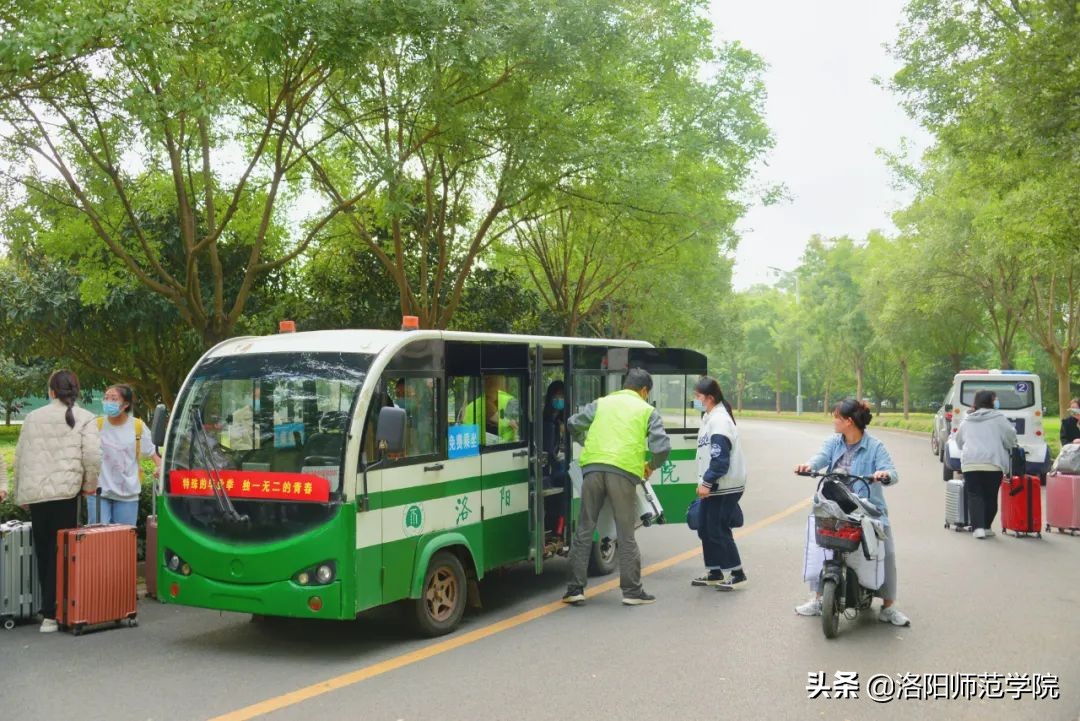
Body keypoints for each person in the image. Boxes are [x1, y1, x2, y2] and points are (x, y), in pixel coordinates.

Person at [793, 399, 910, 627]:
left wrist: (883, 474)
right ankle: (818, 599)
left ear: (848, 421)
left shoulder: (875, 447)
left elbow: (892, 473)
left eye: (836, 417)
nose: (833, 421)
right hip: (834, 506)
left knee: (885, 551)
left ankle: (888, 607)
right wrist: (809, 467)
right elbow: (819, 459)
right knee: (820, 547)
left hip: (866, 509)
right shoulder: (833, 443)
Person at [561, 368, 670, 606]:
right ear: (644, 390)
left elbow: (572, 424)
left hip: (592, 469)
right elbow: (661, 448)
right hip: (623, 472)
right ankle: (632, 592)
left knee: (584, 528)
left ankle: (574, 589)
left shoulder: (602, 403)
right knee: (625, 532)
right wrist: (651, 466)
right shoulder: (647, 410)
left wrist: (586, 441)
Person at [11, 370, 100, 633]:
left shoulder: (32, 417)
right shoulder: (85, 417)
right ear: (76, 390)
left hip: (39, 496)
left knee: (44, 552)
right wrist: (89, 487)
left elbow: (20, 457)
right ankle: (61, 611)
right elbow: (93, 457)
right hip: (66, 494)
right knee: (65, 554)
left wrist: (22, 495)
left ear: (51, 391)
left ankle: (47, 612)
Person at [690, 377, 749, 591]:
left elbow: (720, 459)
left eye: (697, 397)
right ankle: (714, 571)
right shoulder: (709, 418)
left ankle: (736, 572)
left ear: (710, 398)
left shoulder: (720, 421)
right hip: (715, 484)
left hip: (724, 485)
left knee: (718, 528)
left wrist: (707, 482)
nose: (694, 400)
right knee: (705, 528)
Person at [89, 384, 161, 525]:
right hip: (98, 493)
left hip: (127, 495)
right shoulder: (96, 425)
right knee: (97, 542)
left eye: (114, 399)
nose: (108, 402)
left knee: (123, 542)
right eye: (106, 398)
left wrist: (159, 467)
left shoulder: (137, 427)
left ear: (126, 404)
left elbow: (154, 455)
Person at [955, 389, 1017, 539]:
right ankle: (987, 526)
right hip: (993, 463)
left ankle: (978, 528)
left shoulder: (967, 419)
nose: (997, 401)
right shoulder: (999, 418)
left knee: (974, 495)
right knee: (990, 496)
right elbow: (1011, 437)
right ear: (991, 401)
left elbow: (958, 441)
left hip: (971, 463)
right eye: (995, 399)